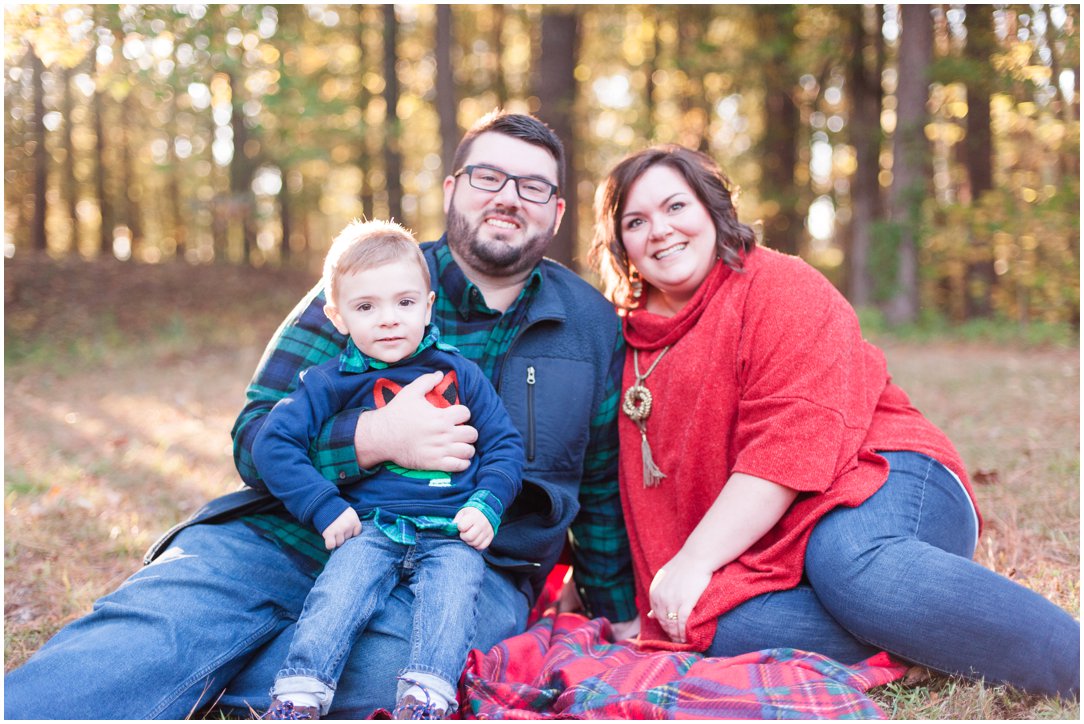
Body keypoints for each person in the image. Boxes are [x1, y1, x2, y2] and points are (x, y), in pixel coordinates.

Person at [4, 111, 638, 719]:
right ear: (452, 189)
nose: (508, 196)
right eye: (487, 177)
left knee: (400, 672)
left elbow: (602, 486)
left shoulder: (589, 324)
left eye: (533, 186)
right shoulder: (363, 279)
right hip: (292, 532)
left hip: (469, 559)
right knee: (140, 638)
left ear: (556, 210)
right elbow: (255, 438)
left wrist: (619, 615)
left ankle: (228, 665)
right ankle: (181, 648)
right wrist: (372, 439)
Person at [587, 144, 1079, 699]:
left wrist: (695, 560)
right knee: (713, 624)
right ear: (621, 244)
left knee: (849, 562)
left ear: (712, 210)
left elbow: (787, 449)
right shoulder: (617, 341)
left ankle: (1071, 663)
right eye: (636, 221)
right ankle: (929, 631)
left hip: (882, 476)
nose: (660, 230)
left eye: (676, 206)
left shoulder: (779, 286)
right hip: (762, 541)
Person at [254, 220, 524, 720]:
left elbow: (506, 446)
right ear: (337, 318)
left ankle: (426, 698)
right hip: (370, 525)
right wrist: (322, 505)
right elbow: (273, 442)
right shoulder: (330, 381)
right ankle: (299, 693)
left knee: (452, 599)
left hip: (451, 530)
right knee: (339, 594)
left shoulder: (460, 373)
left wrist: (487, 503)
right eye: (365, 307)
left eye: (404, 302)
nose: (388, 320)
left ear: (427, 304)